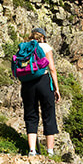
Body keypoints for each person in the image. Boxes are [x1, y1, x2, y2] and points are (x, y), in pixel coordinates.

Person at [20, 27, 60, 156]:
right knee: (48, 114)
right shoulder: (45, 47)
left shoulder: (25, 47)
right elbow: (52, 68)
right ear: (42, 37)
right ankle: (50, 151)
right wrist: (56, 88)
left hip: (27, 84)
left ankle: (32, 150)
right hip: (43, 81)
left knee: (31, 115)